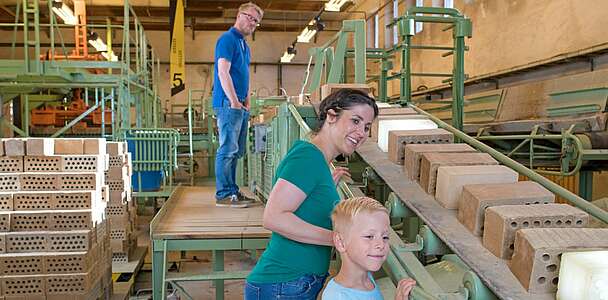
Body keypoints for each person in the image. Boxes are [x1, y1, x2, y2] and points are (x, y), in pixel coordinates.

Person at [244, 89, 379, 299]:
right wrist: (338, 240)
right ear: (332, 116)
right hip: (284, 282)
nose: (361, 132)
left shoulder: (319, 162)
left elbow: (303, 203)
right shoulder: (308, 157)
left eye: (366, 127)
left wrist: (325, 190)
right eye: (355, 121)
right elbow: (273, 218)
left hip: (294, 282)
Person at [212, 2, 263, 208]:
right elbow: (223, 72)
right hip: (228, 104)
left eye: (256, 22)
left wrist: (246, 98)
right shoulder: (227, 39)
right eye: (250, 17)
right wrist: (233, 100)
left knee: (236, 151)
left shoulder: (244, 45)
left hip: (239, 104)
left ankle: (232, 191)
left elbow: (244, 73)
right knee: (227, 149)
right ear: (239, 15)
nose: (252, 23)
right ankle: (223, 194)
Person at [322, 196, 417, 299]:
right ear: (341, 242)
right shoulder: (337, 297)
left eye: (385, 237)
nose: (381, 244)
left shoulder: (367, 278)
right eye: (369, 236)